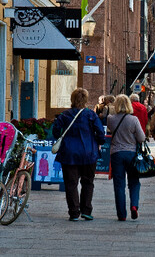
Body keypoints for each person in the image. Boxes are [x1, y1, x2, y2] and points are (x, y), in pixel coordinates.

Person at [52, 88, 105, 221]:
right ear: (86, 100)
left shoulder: (65, 115)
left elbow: (56, 131)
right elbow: (100, 132)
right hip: (89, 152)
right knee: (88, 182)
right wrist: (99, 141)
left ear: (72, 99)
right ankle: (86, 210)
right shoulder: (91, 115)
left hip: (69, 153)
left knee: (71, 183)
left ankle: (74, 212)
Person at [107, 94, 146, 221]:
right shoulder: (133, 120)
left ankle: (121, 214)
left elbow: (110, 130)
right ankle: (134, 205)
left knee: (119, 184)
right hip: (131, 153)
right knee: (134, 182)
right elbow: (141, 138)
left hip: (116, 154)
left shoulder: (110, 119)